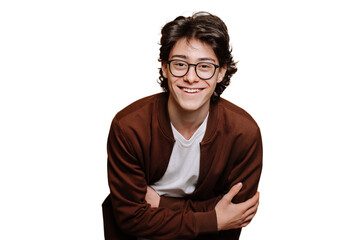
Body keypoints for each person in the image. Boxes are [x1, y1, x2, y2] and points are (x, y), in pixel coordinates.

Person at [102, 12, 263, 240]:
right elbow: (130, 218)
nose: (190, 77)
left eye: (204, 66)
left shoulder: (243, 133)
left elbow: (236, 213)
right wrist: (213, 218)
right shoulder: (128, 127)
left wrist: (161, 204)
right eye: (180, 64)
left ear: (222, 72)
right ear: (165, 68)